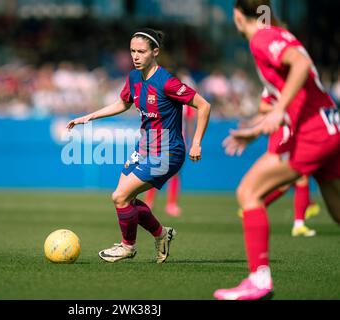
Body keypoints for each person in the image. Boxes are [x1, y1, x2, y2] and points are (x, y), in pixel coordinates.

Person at [215, 0, 340, 300]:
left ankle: (259, 280)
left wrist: (278, 109)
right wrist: (257, 129)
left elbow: (300, 64)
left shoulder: (262, 38)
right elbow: (291, 91)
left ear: (237, 15)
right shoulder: (278, 32)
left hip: (312, 134)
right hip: (330, 125)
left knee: (249, 192)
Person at [66, 28, 211, 263]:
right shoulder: (134, 77)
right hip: (144, 149)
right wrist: (88, 117)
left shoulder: (167, 82)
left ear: (155, 52)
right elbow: (123, 103)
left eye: (141, 51)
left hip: (168, 152)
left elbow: (204, 106)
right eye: (132, 51)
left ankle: (128, 247)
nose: (135, 56)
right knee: (126, 200)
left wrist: (196, 143)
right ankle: (162, 234)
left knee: (120, 196)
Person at [237, 98, 321, 237]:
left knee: (290, 181)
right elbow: (264, 108)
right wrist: (283, 108)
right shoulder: (280, 86)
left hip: (292, 132)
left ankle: (253, 205)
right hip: (284, 134)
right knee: (299, 176)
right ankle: (298, 222)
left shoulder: (289, 87)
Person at [144, 103, 197, 217]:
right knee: (155, 169)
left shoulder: (185, 100)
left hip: (176, 139)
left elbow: (191, 120)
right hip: (159, 136)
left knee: (175, 172)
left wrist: (192, 140)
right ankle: (149, 202)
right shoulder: (162, 95)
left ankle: (171, 204)